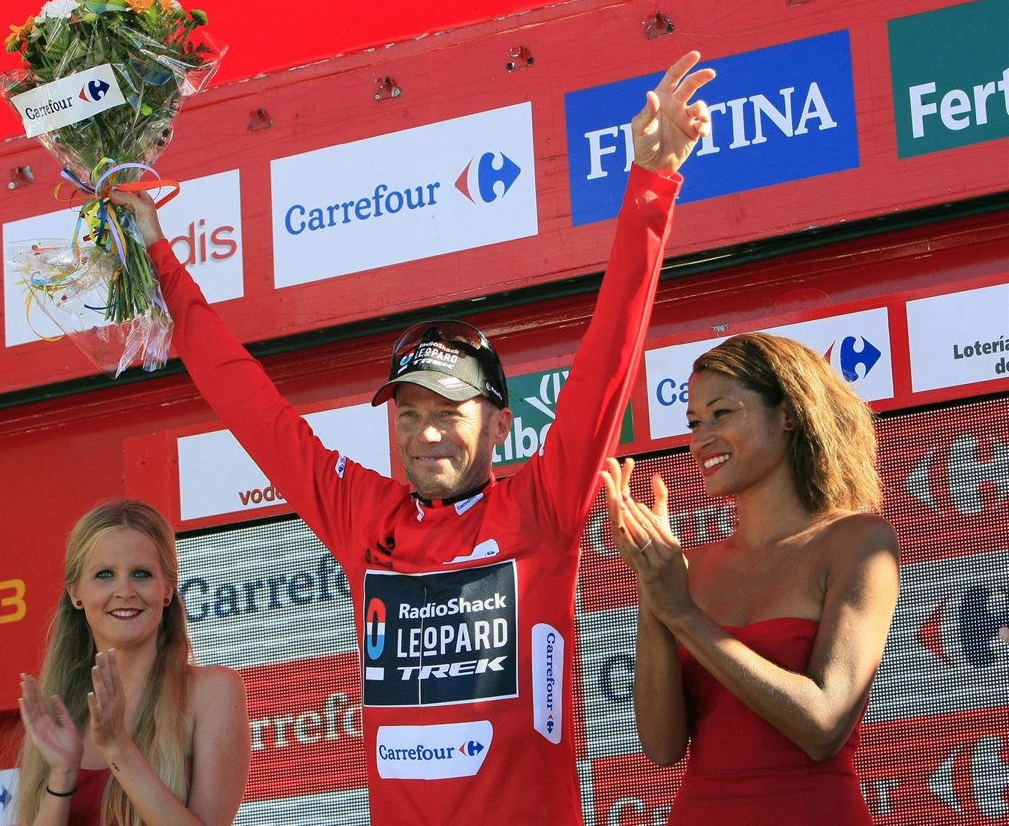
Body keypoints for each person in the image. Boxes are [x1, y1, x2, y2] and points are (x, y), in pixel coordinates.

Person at [110, 52, 714, 825]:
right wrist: (157, 254)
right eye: (407, 414)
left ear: (500, 424)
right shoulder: (365, 516)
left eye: (449, 412)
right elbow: (248, 401)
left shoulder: (541, 507)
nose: (426, 434)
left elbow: (609, 355)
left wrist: (652, 184)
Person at [602, 332, 900, 824]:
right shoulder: (689, 568)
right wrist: (652, 582)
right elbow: (662, 747)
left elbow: (823, 726)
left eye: (721, 414)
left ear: (789, 414)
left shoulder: (858, 541)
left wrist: (682, 612)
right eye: (694, 422)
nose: (700, 439)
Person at [15, 500, 249, 826]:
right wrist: (62, 776)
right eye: (104, 575)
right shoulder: (59, 710)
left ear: (167, 589)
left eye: (141, 574)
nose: (124, 591)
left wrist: (118, 748)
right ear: (76, 593)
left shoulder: (213, 691)